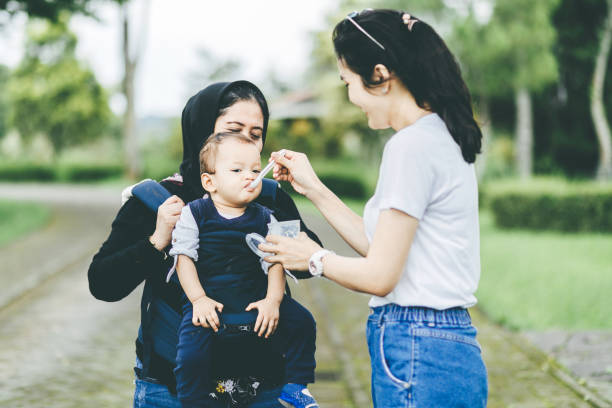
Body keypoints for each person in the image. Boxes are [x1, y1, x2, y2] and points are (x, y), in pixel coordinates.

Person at [258, 9, 488, 407]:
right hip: (449, 344)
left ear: (379, 75)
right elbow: (381, 247)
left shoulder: (410, 146)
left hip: (416, 345)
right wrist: (314, 189)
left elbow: (381, 274)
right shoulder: (441, 136)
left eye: (348, 81)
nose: (350, 96)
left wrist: (314, 258)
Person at [88, 80, 321, 408]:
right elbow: (102, 284)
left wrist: (290, 235)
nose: (245, 142)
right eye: (233, 130)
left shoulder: (269, 200)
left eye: (255, 134)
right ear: (201, 133)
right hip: (170, 390)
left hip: (263, 388)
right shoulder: (157, 201)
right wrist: (157, 240)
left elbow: (312, 264)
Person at [169, 132, 318, 408]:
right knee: (190, 355)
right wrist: (198, 300)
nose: (249, 176)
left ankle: (295, 385)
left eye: (256, 170)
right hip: (208, 300)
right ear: (209, 181)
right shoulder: (195, 213)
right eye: (237, 170)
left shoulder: (265, 216)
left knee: (303, 322)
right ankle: (191, 402)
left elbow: (274, 262)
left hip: (254, 295)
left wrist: (273, 301)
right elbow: (183, 258)